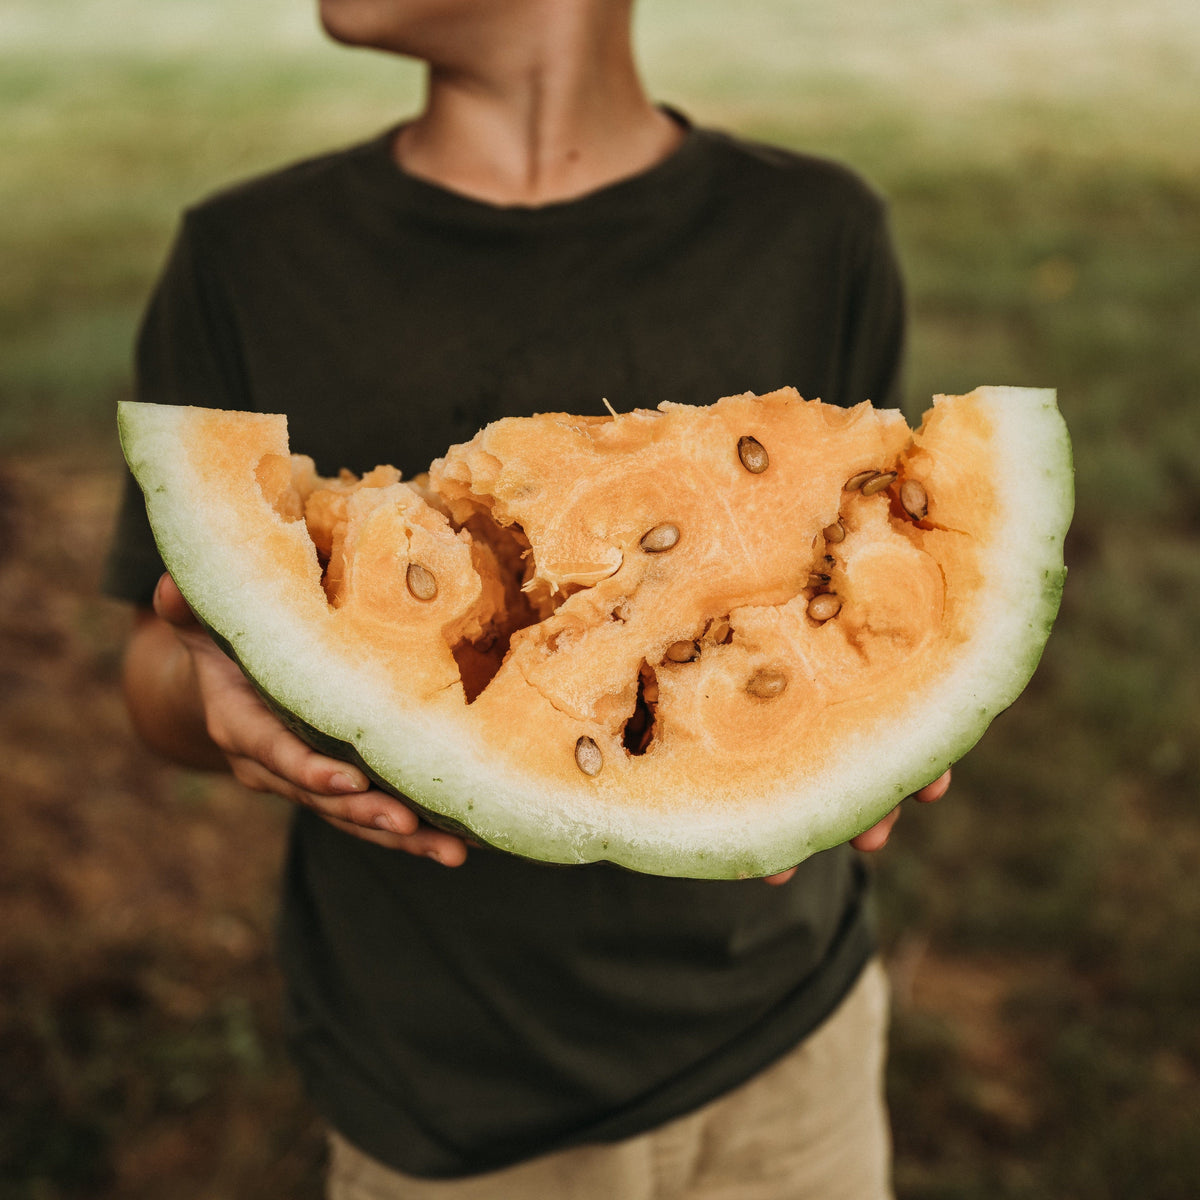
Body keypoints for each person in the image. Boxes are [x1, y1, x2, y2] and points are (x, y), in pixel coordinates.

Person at [105, 1, 951, 1196]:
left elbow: (886, 548)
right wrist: (218, 707)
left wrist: (892, 703)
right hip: (448, 1101)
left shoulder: (818, 233)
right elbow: (152, 669)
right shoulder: (246, 256)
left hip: (788, 1043)